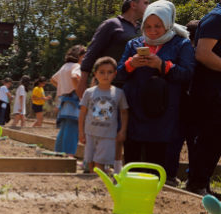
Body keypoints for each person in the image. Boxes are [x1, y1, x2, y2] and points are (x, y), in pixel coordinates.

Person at [117, 0, 195, 173]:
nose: (152, 31)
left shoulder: (181, 44)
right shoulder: (134, 44)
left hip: (163, 112)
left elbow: (187, 73)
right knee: (132, 160)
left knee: (156, 161)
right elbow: (120, 72)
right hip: (134, 111)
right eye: (148, 26)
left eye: (157, 26)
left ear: (168, 24)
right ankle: (132, 195)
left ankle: (153, 195)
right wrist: (131, 64)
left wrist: (163, 66)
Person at [77, 0, 149, 173]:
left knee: (123, 130)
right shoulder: (112, 25)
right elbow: (92, 51)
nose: (149, 6)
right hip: (110, 85)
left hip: (134, 85)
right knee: (105, 125)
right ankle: (93, 162)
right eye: (145, 2)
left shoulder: (142, 29)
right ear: (133, 4)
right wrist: (83, 79)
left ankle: (118, 168)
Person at [186, 2, 221, 198]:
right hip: (208, 90)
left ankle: (200, 183)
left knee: (212, 138)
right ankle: (196, 184)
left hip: (215, 89)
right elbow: (203, 53)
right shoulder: (217, 17)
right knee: (212, 137)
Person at [164, 20, 199, 187]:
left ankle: (170, 175)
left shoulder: (180, 51)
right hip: (197, 106)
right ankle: (193, 177)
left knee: (174, 142)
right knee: (195, 145)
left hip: (178, 105)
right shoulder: (201, 54)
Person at [79, 57, 130, 173]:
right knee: (90, 160)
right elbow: (82, 113)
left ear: (115, 74)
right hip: (90, 133)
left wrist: (123, 130)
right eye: (102, 72)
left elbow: (124, 112)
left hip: (108, 134)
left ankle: (100, 183)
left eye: (109, 72)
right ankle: (95, 182)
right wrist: (81, 132)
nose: (105, 75)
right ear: (95, 74)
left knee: (100, 161)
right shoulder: (89, 92)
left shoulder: (119, 93)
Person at [51, 45, 86, 158]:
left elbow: (52, 80)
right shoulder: (76, 66)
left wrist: (62, 87)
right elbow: (74, 77)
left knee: (65, 128)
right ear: (79, 56)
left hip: (64, 100)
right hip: (74, 100)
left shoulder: (64, 66)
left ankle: (59, 152)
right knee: (73, 128)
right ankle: (69, 154)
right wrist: (79, 90)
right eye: (84, 56)